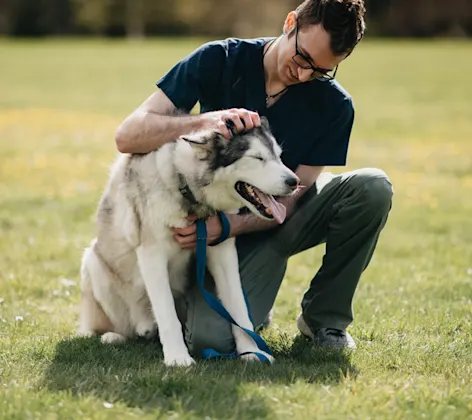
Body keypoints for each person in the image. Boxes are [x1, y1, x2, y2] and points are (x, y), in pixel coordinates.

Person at [115, 0, 393, 355]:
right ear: (290, 23)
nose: (305, 75)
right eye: (303, 59)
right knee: (211, 341)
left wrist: (230, 225)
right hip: (214, 230)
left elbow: (296, 195)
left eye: (322, 70)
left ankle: (325, 320)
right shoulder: (220, 59)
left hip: (282, 218)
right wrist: (203, 122)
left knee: (373, 187)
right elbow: (128, 136)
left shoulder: (336, 106)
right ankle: (249, 297)